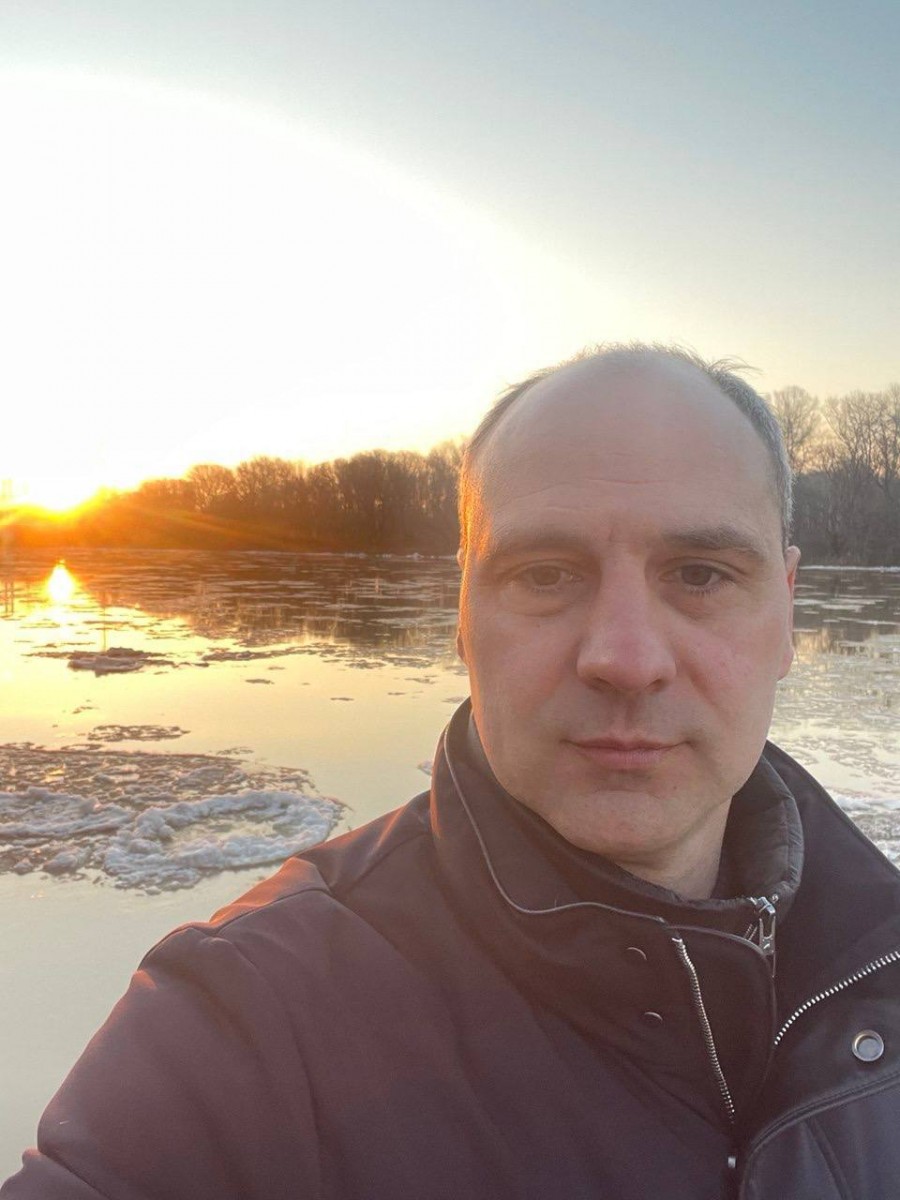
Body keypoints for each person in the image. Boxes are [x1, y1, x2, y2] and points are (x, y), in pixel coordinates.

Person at [4, 345, 899, 1199]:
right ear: (462, 616)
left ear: (787, 612)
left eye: (700, 575)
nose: (626, 659)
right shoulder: (253, 1022)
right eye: (545, 575)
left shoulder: (881, 952)